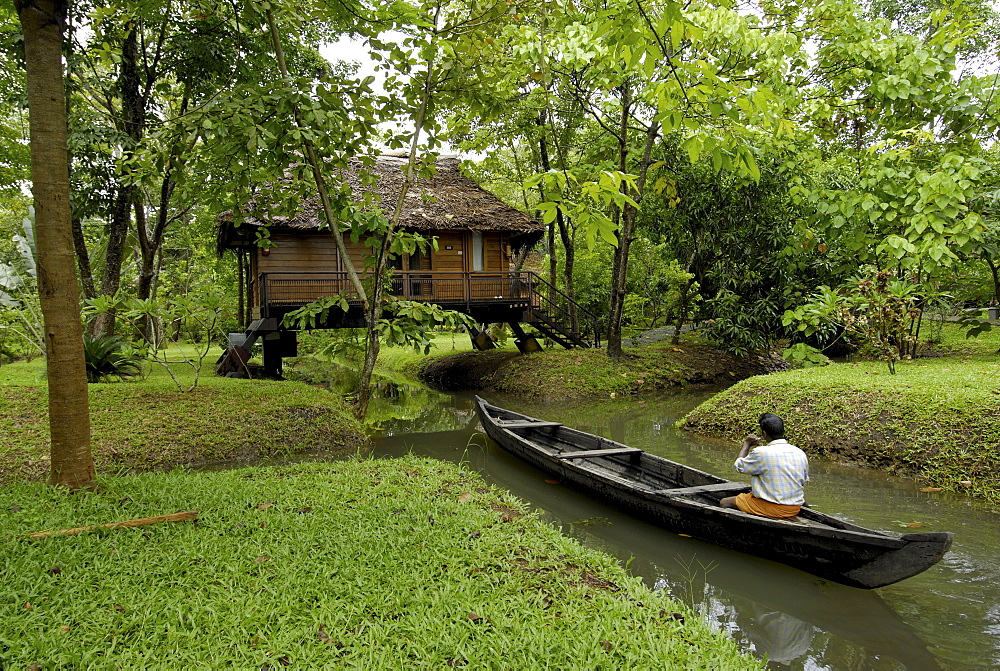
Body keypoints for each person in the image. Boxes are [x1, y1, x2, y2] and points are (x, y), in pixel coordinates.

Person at [720, 413, 808, 519]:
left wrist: (747, 444)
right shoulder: (799, 452)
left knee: (724, 502)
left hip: (774, 508)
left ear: (764, 433)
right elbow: (803, 480)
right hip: (794, 507)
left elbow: (739, 466)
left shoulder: (761, 452)